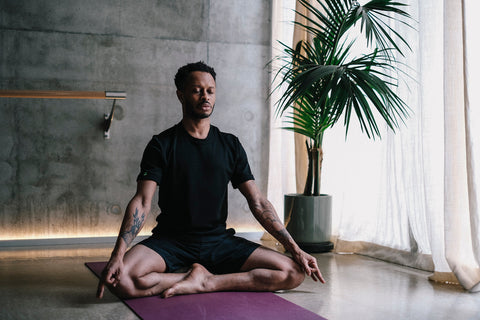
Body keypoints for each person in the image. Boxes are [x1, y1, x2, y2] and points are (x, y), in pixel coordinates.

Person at [96, 61, 325, 300]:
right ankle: (192, 277)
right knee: (120, 279)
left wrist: (296, 249)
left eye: (210, 91)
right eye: (197, 90)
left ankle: (208, 281)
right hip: (172, 241)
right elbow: (142, 202)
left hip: (219, 242)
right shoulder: (161, 145)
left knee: (294, 272)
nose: (205, 96)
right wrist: (117, 255)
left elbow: (258, 202)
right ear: (181, 94)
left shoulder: (230, 145)